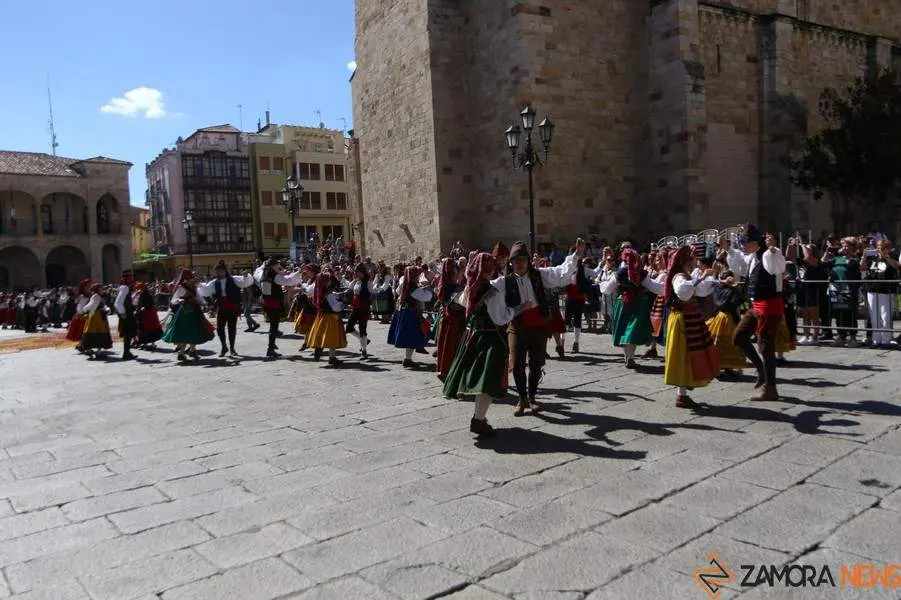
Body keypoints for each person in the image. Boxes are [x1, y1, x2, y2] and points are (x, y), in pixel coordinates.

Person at [444, 252, 532, 437]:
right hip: (490, 339)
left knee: (481, 382)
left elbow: (457, 304)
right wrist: (521, 307)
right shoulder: (492, 290)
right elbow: (501, 318)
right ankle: (479, 420)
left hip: (472, 337)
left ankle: (479, 418)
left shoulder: (470, 287)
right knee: (487, 382)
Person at [491, 240, 580, 415]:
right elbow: (487, 288)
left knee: (536, 365)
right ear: (511, 262)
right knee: (517, 364)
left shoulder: (539, 275)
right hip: (517, 327)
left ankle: (531, 397)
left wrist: (575, 255)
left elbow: (560, 273)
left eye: (523, 260)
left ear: (528, 261)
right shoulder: (505, 281)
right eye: (516, 260)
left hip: (539, 327)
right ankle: (522, 398)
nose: (520, 263)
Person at [725, 225, 787, 401]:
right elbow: (741, 267)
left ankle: (770, 389)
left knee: (766, 347)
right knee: (739, 337)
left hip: (769, 307)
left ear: (755, 241)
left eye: (745, 241)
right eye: (741, 242)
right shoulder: (753, 257)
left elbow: (776, 269)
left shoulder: (768, 255)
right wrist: (729, 250)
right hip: (756, 306)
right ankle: (761, 370)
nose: (743, 245)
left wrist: (773, 250)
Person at [664, 245, 720, 407]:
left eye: (693, 260)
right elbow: (684, 292)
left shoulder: (687, 276)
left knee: (691, 354)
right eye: (690, 261)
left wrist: (713, 276)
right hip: (682, 319)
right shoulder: (678, 277)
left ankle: (683, 390)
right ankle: (681, 394)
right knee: (684, 354)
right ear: (683, 262)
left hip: (690, 318)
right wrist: (701, 277)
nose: (693, 263)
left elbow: (701, 291)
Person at [609, 248, 659, 369]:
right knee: (632, 331)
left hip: (623, 303)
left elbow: (607, 288)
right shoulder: (641, 272)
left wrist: (600, 282)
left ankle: (628, 358)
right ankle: (629, 358)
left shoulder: (619, 272)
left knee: (624, 330)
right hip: (638, 303)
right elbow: (654, 287)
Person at [200, 260, 255, 358]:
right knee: (220, 328)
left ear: (225, 270)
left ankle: (232, 348)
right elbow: (206, 290)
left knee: (231, 328)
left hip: (232, 307)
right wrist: (199, 285)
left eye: (221, 270)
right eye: (217, 271)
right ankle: (224, 347)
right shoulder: (215, 282)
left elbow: (245, 282)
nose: (219, 272)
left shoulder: (234, 279)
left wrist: (246, 275)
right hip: (222, 307)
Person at [162, 270, 216, 361]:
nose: (192, 280)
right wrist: (180, 301)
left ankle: (192, 350)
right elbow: (174, 300)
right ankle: (182, 352)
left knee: (194, 331)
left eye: (192, 278)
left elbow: (198, 298)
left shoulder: (194, 287)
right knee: (186, 332)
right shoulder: (182, 288)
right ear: (186, 279)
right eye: (190, 278)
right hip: (184, 313)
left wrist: (205, 305)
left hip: (195, 311)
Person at [254, 258, 303, 358]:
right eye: (277, 265)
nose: (279, 267)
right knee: (274, 327)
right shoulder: (275, 276)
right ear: (273, 266)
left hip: (266, 303)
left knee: (273, 326)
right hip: (273, 303)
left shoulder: (263, 274)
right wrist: (299, 273)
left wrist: (280, 272)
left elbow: (258, 272)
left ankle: (272, 345)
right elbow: (289, 281)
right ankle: (270, 348)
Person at [387, 265, 434, 367]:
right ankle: (408, 358)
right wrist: (430, 288)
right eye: (418, 275)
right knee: (414, 335)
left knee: (414, 335)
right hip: (410, 314)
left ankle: (409, 357)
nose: (419, 277)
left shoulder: (404, 285)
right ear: (413, 276)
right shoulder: (413, 289)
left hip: (404, 312)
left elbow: (397, 291)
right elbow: (427, 297)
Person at [706, 269, 745, 378]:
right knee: (727, 344)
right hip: (728, 318)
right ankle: (723, 368)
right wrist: (736, 288)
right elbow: (738, 301)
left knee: (720, 343)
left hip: (719, 317)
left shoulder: (717, 287)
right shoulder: (729, 290)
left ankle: (724, 368)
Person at [861, 239, 899, 347]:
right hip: (872, 290)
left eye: (882, 248)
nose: (880, 249)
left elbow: (897, 266)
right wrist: (863, 257)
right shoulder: (873, 259)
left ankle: (886, 339)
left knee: (885, 315)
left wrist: (886, 257)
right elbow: (863, 268)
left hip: (886, 291)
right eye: (878, 247)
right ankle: (876, 339)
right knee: (874, 316)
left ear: (888, 249)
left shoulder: (892, 257)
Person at [307, 271, 348, 365]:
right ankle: (332, 357)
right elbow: (336, 307)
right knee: (332, 337)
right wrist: (343, 302)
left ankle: (319, 349)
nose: (330, 281)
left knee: (321, 334)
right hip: (331, 317)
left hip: (321, 316)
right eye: (328, 280)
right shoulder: (329, 293)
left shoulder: (319, 292)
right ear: (325, 282)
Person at [435, 258, 466, 380]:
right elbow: (459, 302)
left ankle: (444, 369)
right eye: (457, 271)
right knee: (450, 346)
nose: (459, 274)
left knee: (446, 346)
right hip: (453, 322)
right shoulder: (450, 287)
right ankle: (448, 371)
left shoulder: (445, 284)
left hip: (448, 320)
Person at [345, 263, 375, 358]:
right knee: (349, 327)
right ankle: (365, 341)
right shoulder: (356, 282)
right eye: (355, 272)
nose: (356, 274)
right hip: (355, 308)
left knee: (363, 329)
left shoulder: (368, 282)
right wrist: (354, 280)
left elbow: (373, 291)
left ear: (362, 273)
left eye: (357, 272)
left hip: (364, 309)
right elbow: (349, 287)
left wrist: (378, 286)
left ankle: (364, 350)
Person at [80, 284, 113, 359]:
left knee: (96, 332)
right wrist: (85, 310)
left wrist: (106, 309)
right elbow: (92, 305)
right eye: (101, 288)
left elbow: (100, 305)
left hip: (98, 316)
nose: (102, 290)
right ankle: (94, 350)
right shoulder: (96, 296)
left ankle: (96, 351)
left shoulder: (97, 296)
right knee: (97, 332)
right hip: (97, 316)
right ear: (97, 289)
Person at [113, 270, 138, 361]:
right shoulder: (124, 287)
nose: (132, 278)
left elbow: (126, 300)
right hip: (127, 313)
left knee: (129, 333)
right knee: (128, 333)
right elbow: (118, 302)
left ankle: (127, 352)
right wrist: (123, 313)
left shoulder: (125, 287)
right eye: (130, 276)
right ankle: (126, 353)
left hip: (127, 312)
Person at [134, 282, 163, 349]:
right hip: (142, 314)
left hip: (148, 314)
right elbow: (139, 303)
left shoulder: (148, 295)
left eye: (140, 289)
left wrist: (145, 307)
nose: (139, 290)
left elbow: (151, 304)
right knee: (142, 329)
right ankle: (144, 343)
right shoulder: (140, 295)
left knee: (150, 328)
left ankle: (153, 343)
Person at [66, 279, 92, 350]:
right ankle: (83, 345)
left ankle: (81, 344)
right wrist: (82, 313)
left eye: (90, 285)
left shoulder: (90, 295)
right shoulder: (82, 296)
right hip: (82, 316)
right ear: (84, 287)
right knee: (83, 331)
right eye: (88, 286)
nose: (90, 287)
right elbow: (79, 307)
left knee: (86, 331)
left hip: (88, 316)